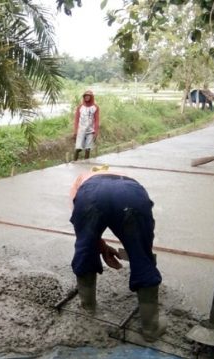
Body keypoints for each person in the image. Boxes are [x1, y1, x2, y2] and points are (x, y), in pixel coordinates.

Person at [69, 166, 166, 342]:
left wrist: (99, 245)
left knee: (84, 250)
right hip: (130, 196)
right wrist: (142, 253)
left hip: (89, 196)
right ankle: (151, 329)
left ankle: (88, 309)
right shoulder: (126, 177)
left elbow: (84, 233)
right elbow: (143, 241)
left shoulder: (80, 182)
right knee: (142, 256)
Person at [72, 89, 100, 161]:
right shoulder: (80, 107)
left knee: (88, 148)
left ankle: (86, 163)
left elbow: (97, 120)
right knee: (78, 148)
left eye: (88, 96)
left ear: (91, 97)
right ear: (84, 97)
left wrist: (96, 132)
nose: (87, 97)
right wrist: (75, 131)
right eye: (85, 96)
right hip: (81, 130)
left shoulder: (95, 107)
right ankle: (75, 161)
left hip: (90, 130)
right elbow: (76, 120)